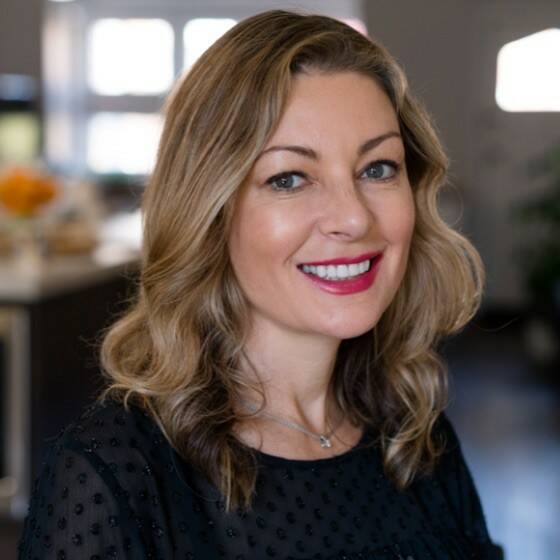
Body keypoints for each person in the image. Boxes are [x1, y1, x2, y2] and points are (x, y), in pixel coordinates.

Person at [18, 10, 503, 560]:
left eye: (377, 169)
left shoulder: (417, 438)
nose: (353, 218)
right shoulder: (112, 477)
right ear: (211, 211)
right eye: (289, 178)